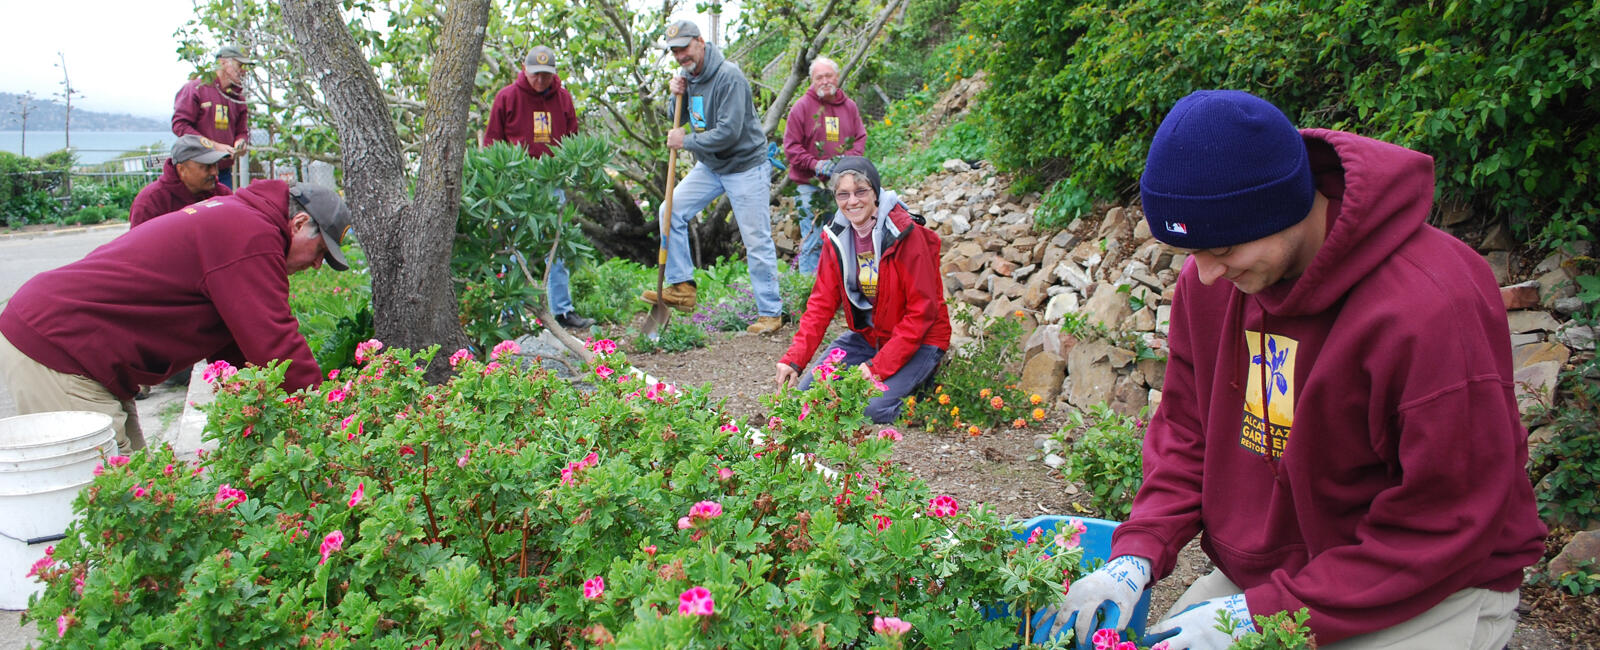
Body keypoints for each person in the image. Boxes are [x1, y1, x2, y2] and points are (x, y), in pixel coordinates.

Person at [1047, 90, 1547, 649]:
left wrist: (1258, 616)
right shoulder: (1215, 284)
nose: (1206, 276)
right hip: (1276, 575)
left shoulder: (1430, 306)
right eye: (1191, 254)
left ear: (1283, 206)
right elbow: (1189, 433)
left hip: (1427, 587)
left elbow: (1447, 521)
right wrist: (1137, 553)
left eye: (1224, 247)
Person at [0, 181, 353, 452]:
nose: (317, 264)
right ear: (299, 223)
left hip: (74, 346)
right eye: (321, 250)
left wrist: (257, 408)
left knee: (139, 491)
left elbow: (238, 350)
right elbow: (275, 343)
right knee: (108, 507)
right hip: (58, 346)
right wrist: (326, 420)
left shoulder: (241, 220)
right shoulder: (251, 236)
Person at [774, 156, 949, 423]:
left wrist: (876, 368)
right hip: (871, 339)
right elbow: (821, 304)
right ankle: (898, 382)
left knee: (871, 409)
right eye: (843, 194)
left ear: (875, 193)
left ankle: (929, 388)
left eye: (860, 192)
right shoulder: (837, 237)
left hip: (921, 341)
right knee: (808, 396)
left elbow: (921, 314)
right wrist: (794, 359)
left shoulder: (906, 235)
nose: (852, 201)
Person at [640, 19, 785, 335]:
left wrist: (686, 141)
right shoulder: (688, 76)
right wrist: (672, 97)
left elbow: (728, 133)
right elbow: (679, 117)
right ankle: (682, 288)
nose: (680, 56)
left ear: (700, 42)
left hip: (745, 165)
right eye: (675, 51)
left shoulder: (729, 77)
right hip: (711, 166)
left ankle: (771, 313)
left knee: (755, 238)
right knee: (670, 210)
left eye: (684, 48)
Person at [482, 44, 593, 330]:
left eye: (546, 75)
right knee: (513, 246)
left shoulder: (563, 98)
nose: (541, 80)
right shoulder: (507, 97)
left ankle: (563, 311)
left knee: (555, 243)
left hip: (551, 180)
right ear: (525, 69)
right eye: (536, 75)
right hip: (516, 183)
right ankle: (508, 311)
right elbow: (492, 141)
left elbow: (572, 140)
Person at [781, 56, 866, 274]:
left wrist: (846, 162)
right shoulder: (801, 107)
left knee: (844, 238)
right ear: (812, 80)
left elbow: (860, 138)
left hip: (844, 186)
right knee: (814, 241)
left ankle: (842, 291)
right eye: (819, 77)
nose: (825, 81)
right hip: (811, 186)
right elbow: (791, 147)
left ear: (837, 77)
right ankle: (809, 293)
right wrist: (815, 164)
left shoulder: (849, 107)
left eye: (829, 76)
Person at [172, 45, 252, 188]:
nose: (244, 71)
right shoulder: (196, 89)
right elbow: (180, 126)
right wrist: (214, 147)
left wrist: (240, 143)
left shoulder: (238, 98)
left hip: (223, 171)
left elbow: (242, 132)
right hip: (196, 172)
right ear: (222, 63)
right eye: (240, 65)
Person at [129, 134, 234, 228]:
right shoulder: (151, 202)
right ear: (181, 169)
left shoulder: (222, 194)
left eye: (215, 164)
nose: (214, 172)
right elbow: (138, 246)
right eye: (207, 166)